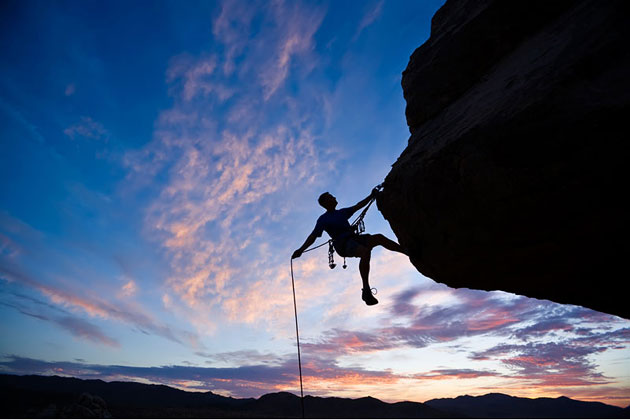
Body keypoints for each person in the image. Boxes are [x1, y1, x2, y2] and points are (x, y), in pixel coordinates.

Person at [291, 188, 407, 306]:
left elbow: (358, 206)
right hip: (343, 244)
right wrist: (301, 250)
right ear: (326, 203)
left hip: (353, 239)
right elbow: (313, 236)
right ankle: (366, 289)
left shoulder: (342, 212)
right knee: (365, 252)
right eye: (331, 197)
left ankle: (406, 251)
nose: (334, 198)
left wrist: (371, 195)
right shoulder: (323, 219)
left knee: (379, 238)